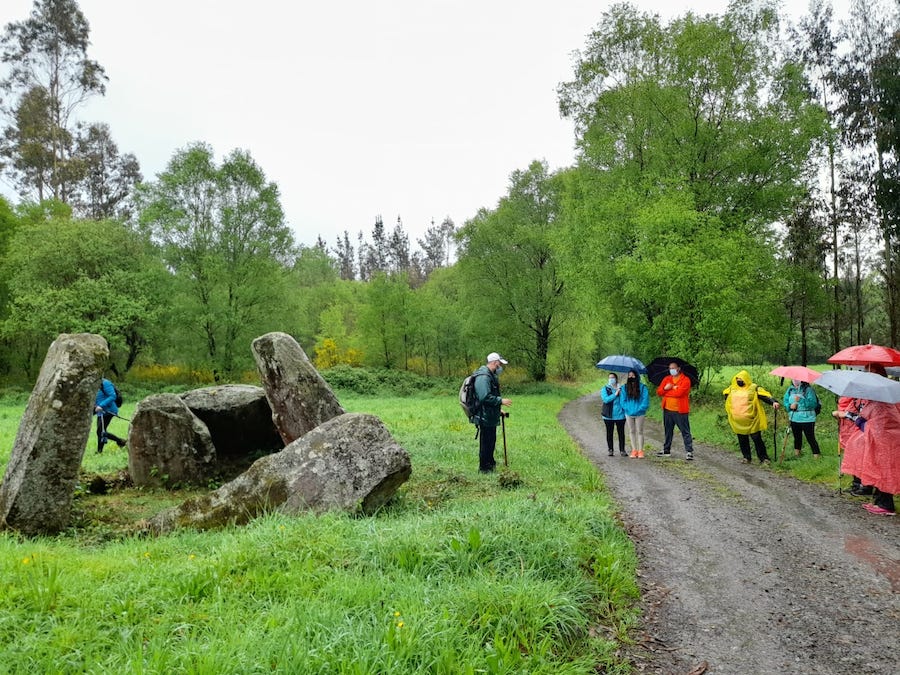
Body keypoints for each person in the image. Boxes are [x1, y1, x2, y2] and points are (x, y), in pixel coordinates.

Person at [834, 398, 900, 516]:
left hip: (881, 443)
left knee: (882, 473)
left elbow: (871, 425)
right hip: (890, 442)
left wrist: (855, 419)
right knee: (881, 472)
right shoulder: (891, 403)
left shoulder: (878, 404)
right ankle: (878, 502)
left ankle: (885, 505)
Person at [722, 370, 779, 464]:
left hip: (752, 421)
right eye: (737, 379)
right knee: (742, 440)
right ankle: (746, 457)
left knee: (757, 439)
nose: (739, 381)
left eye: (741, 379)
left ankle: (764, 458)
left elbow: (764, 396)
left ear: (746, 379)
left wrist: (773, 402)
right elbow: (726, 396)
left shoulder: (754, 388)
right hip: (738, 422)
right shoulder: (732, 388)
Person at [472, 352, 512, 473]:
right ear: (495, 363)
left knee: (490, 441)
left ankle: (490, 465)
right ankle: (485, 469)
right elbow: (484, 397)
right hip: (484, 416)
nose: (500, 367)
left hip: (489, 415)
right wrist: (501, 401)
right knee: (486, 443)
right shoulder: (484, 377)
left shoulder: (489, 375)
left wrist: (498, 410)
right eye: (500, 364)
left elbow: (488, 397)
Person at [656, 361, 694, 460]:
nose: (671, 370)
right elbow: (659, 392)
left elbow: (679, 393)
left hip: (680, 411)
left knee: (685, 431)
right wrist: (667, 388)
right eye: (670, 368)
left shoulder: (685, 380)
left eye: (673, 368)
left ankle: (689, 451)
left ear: (678, 368)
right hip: (667, 409)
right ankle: (666, 450)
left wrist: (668, 389)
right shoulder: (667, 379)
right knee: (668, 431)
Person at [783, 379, 821, 458]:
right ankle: (797, 455)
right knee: (797, 437)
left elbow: (813, 404)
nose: (795, 380)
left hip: (807, 418)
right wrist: (790, 406)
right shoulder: (790, 390)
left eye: (797, 379)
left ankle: (817, 456)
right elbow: (785, 401)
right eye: (793, 379)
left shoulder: (808, 390)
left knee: (810, 438)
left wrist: (801, 400)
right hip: (794, 418)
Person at [620, 369, 650, 458]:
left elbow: (645, 400)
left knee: (640, 431)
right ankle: (634, 450)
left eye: (633, 375)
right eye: (629, 375)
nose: (631, 377)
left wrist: (639, 409)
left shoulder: (643, 387)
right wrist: (628, 409)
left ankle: (640, 451)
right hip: (628, 413)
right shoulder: (624, 388)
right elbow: (622, 401)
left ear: (637, 376)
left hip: (640, 413)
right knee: (631, 431)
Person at [95, 377, 126, 453]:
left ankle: (121, 441)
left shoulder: (105, 383)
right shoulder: (93, 384)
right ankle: (99, 451)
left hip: (109, 410)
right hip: (100, 411)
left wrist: (101, 405)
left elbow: (112, 396)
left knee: (100, 431)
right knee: (101, 430)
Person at [601, 372, 627, 457]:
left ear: (616, 379)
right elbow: (606, 400)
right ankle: (610, 449)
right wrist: (615, 394)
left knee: (621, 433)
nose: (611, 379)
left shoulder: (622, 388)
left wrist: (620, 392)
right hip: (608, 415)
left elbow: (625, 399)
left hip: (620, 415)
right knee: (609, 433)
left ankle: (622, 450)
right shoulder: (605, 388)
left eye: (613, 377)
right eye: (609, 378)